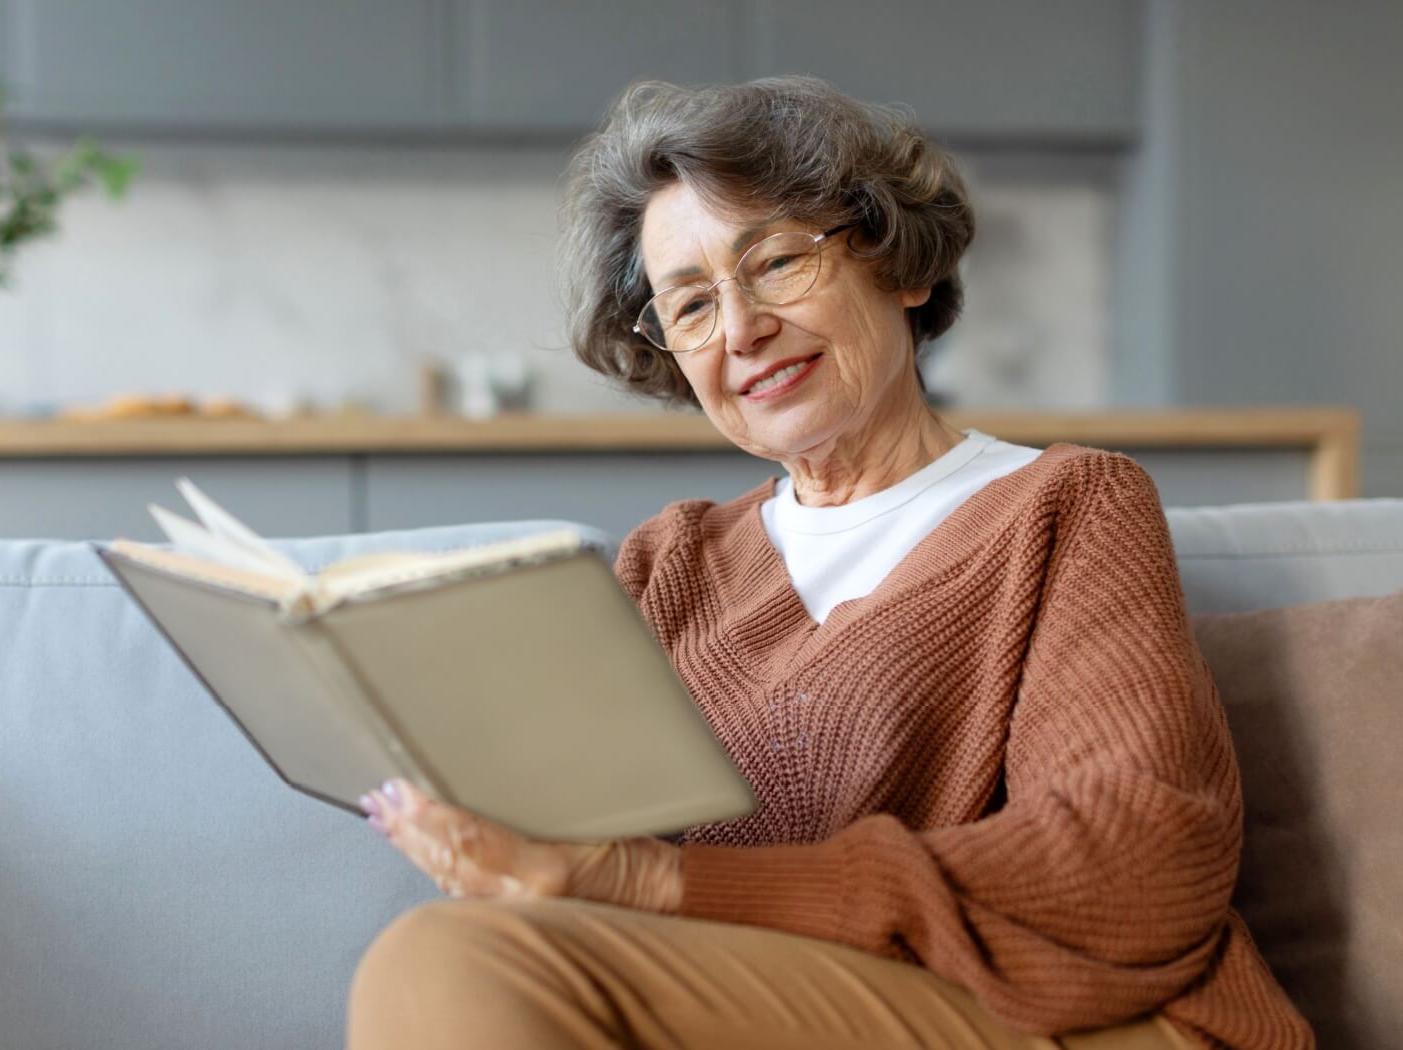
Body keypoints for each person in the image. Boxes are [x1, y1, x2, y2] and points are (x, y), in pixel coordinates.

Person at [347, 77, 1311, 1049]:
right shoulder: (671, 564)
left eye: (773, 262)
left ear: (900, 266)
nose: (739, 330)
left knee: (449, 961)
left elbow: (1137, 863)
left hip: (1062, 1013)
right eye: (688, 308)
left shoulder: (1062, 508)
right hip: (773, 1003)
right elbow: (591, 869)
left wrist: (653, 881)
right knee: (466, 945)